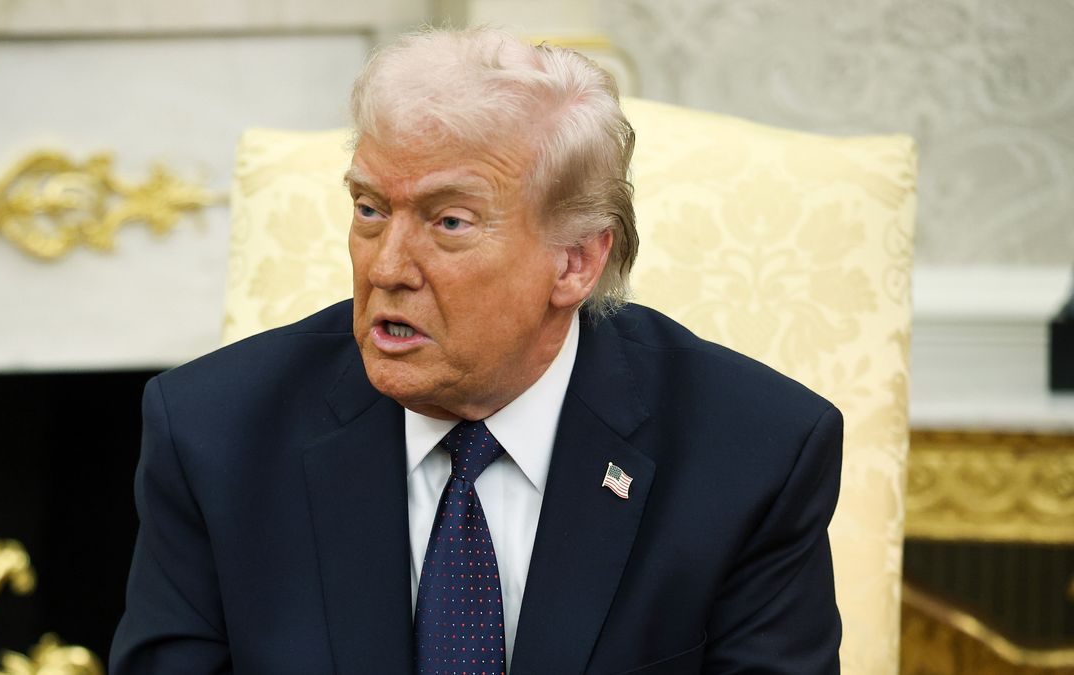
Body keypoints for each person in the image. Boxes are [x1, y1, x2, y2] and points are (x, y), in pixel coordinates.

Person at [110, 27, 842, 675]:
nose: (387, 266)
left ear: (575, 263)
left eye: (449, 221)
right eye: (369, 209)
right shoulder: (212, 434)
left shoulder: (754, 455)